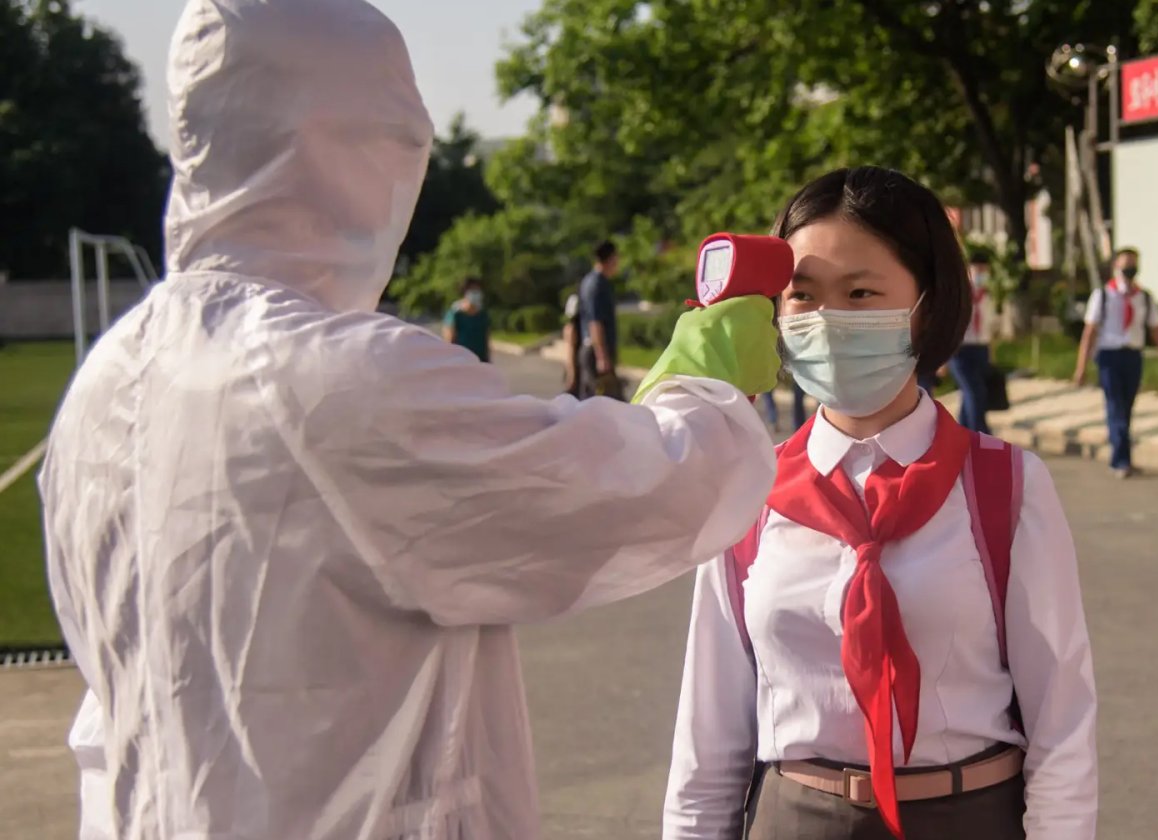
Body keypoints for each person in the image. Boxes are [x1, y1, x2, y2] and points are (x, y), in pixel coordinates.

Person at [39, 2, 782, 838]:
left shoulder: (107, 381)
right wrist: (704, 382)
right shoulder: (335, 381)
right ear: (345, 144)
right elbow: (628, 496)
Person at [663, 166, 1097, 840]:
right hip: (794, 818)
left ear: (928, 303)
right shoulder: (749, 487)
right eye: (802, 296)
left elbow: (1062, 722)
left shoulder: (1005, 485)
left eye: (860, 293)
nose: (826, 320)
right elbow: (708, 736)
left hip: (968, 817)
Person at [1072, 247, 1158, 478]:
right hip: (1109, 356)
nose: (1130, 268)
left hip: (1133, 356)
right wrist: (1081, 366)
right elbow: (1090, 332)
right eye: (1125, 264)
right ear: (1115, 266)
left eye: (1133, 264)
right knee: (1115, 406)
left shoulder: (1144, 297)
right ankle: (1121, 460)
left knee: (1127, 407)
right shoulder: (1103, 296)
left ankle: (1121, 454)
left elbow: (1156, 330)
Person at [947, 253, 999, 432]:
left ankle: (963, 432)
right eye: (979, 270)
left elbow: (990, 326)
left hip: (981, 348)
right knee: (975, 391)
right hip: (960, 350)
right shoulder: (960, 294)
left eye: (985, 270)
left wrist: (991, 352)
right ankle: (980, 432)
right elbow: (950, 323)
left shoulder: (988, 295)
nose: (982, 274)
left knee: (969, 392)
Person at [578, 240, 623, 399]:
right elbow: (595, 322)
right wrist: (602, 357)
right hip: (595, 351)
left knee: (597, 401)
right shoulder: (597, 284)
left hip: (594, 349)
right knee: (606, 401)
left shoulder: (591, 281)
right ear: (611, 258)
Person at [442, 277, 491, 362]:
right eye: (473, 290)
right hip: (460, 361)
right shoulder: (455, 314)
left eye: (478, 290)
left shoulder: (482, 315)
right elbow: (448, 341)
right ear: (465, 293)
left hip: (480, 361)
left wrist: (488, 361)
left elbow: (486, 340)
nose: (476, 293)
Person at [562, 289, 581, 397]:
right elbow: (570, 353)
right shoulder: (573, 330)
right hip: (576, 372)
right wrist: (572, 375)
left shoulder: (568, 328)